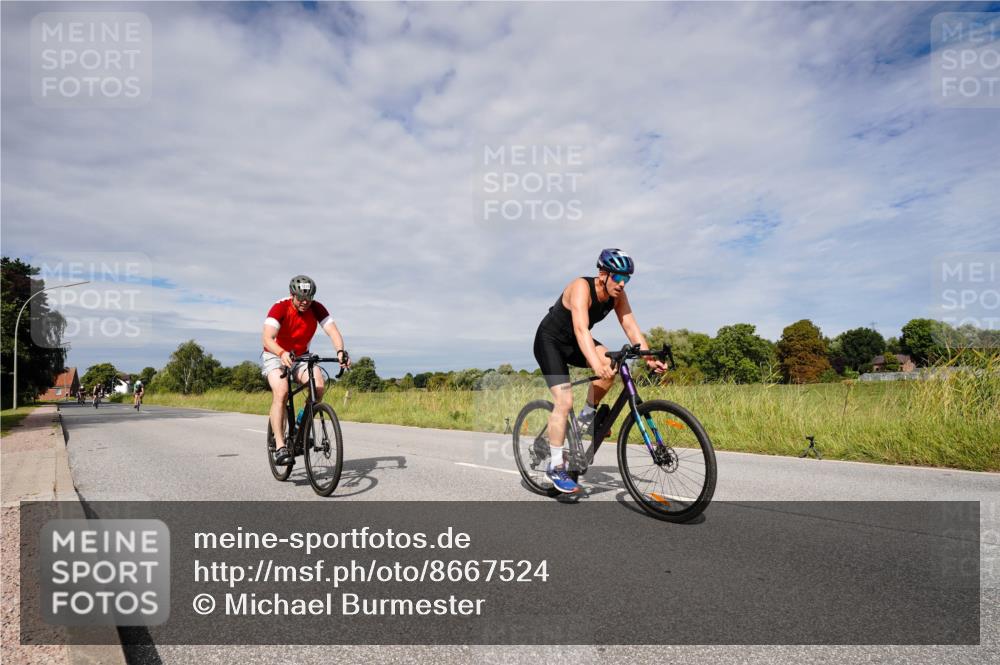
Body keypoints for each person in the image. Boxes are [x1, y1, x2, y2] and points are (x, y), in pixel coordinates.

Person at [533, 249, 666, 494]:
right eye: (617, 277)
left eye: (627, 278)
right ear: (603, 274)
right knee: (564, 400)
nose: (622, 282)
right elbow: (582, 330)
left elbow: (630, 325)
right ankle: (555, 466)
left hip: (574, 343)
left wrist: (648, 358)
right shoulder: (581, 287)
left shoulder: (618, 295)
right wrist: (595, 365)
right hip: (550, 342)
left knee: (612, 365)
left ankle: (585, 419)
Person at [261, 275, 350, 466]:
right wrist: (281, 352)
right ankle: (280, 446)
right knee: (282, 392)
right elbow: (267, 338)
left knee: (318, 387)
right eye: (300, 298)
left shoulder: (316, 308)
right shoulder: (280, 307)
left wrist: (340, 351)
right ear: (292, 294)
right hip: (275, 354)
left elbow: (333, 331)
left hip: (301, 356)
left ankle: (302, 422)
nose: (304, 303)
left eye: (308, 299)